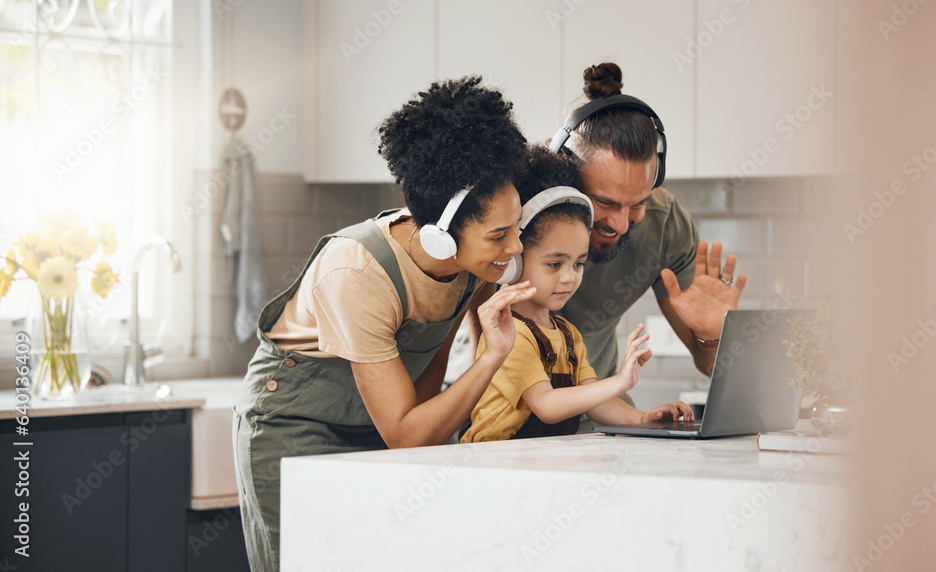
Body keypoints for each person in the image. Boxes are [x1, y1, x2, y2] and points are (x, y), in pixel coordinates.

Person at [233, 76, 534, 571]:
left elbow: (422, 400)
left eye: (516, 229)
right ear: (440, 235)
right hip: (293, 424)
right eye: (499, 235)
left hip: (380, 419)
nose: (515, 248)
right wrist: (492, 356)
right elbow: (405, 434)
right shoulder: (358, 272)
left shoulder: (470, 267)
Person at [462, 147, 694, 442]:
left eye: (579, 263)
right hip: (490, 467)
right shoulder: (510, 335)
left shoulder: (568, 335)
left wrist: (644, 419)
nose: (570, 277)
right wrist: (620, 382)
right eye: (555, 264)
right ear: (514, 260)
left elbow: (594, 402)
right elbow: (546, 406)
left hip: (533, 463)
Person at [551, 62, 748, 380]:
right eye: (605, 203)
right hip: (500, 410)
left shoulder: (665, 225)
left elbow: (710, 365)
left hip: (595, 407)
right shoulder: (521, 217)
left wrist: (711, 336)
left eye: (637, 204)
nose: (621, 225)